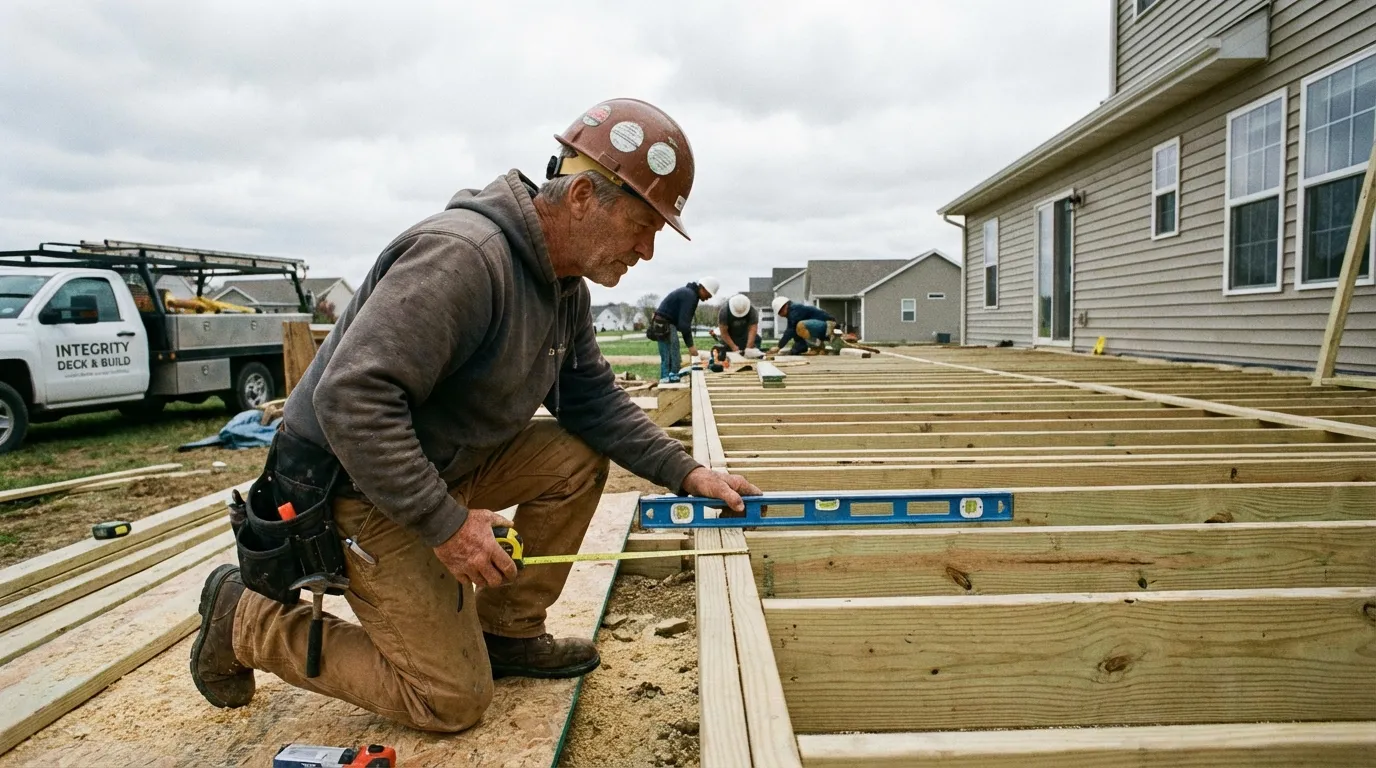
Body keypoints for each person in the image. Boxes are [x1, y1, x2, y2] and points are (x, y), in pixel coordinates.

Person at [188, 98, 761, 733]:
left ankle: (506, 631)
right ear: (580, 199)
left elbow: (592, 401)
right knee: (450, 700)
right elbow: (351, 401)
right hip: (352, 486)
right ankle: (246, 619)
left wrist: (688, 472)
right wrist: (449, 526)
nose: (648, 252)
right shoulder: (464, 258)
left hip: (433, 463)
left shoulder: (561, 283)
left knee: (574, 456)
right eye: (642, 225)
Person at [650, 276, 718, 382]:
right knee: (671, 356)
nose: (707, 298)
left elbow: (683, 323)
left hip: (664, 323)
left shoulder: (690, 294)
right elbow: (684, 325)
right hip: (664, 324)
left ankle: (669, 379)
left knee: (671, 355)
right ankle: (667, 383)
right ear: (703, 288)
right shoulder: (690, 296)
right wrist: (691, 346)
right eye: (708, 295)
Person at [771, 296, 837, 355]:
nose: (781, 315)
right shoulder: (792, 315)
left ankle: (816, 347)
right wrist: (793, 351)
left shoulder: (795, 309)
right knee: (798, 329)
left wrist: (779, 346)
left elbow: (790, 331)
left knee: (800, 326)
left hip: (828, 326)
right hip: (822, 327)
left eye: (780, 312)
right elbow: (796, 335)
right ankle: (817, 347)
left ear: (785, 306)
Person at [712, 293, 763, 363]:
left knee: (754, 351)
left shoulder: (752, 310)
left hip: (745, 335)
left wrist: (748, 347)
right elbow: (724, 332)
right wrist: (733, 347)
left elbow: (753, 329)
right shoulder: (724, 311)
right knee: (728, 357)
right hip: (730, 337)